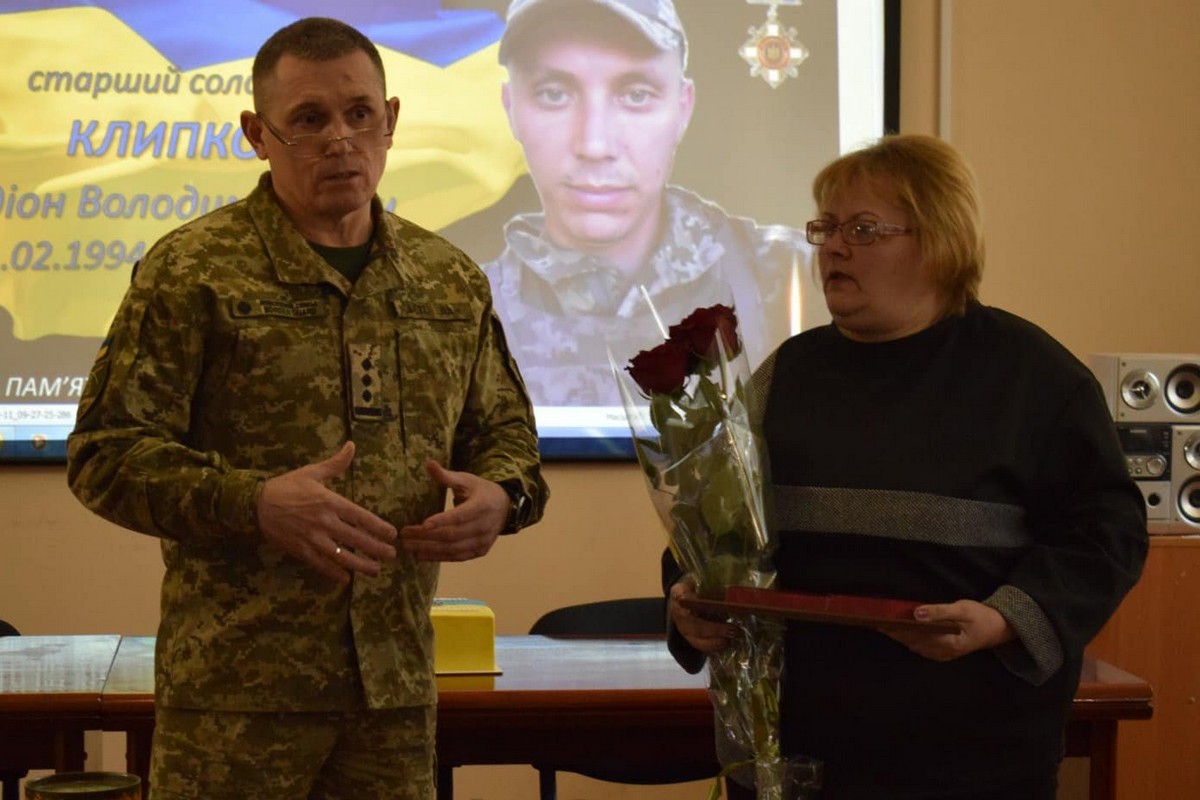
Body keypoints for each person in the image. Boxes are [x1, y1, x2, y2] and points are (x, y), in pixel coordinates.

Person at [66, 17, 547, 800]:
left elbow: (506, 437)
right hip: (236, 700)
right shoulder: (193, 272)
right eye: (309, 121)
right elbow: (105, 455)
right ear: (258, 134)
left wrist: (502, 496)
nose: (340, 140)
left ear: (391, 120)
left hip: (391, 695)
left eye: (359, 115)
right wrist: (253, 503)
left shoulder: (446, 278)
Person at [665, 134, 1148, 800]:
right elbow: (714, 532)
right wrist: (691, 601)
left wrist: (1006, 618)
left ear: (941, 242)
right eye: (826, 228)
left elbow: (1107, 535)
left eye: (863, 230)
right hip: (797, 761)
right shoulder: (786, 376)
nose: (833, 247)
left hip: (969, 763)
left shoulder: (1034, 379)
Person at [485, 0, 811, 406]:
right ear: (510, 108)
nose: (594, 145)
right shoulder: (466, 309)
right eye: (554, 94)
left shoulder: (794, 275)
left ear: (683, 107)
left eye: (637, 95)